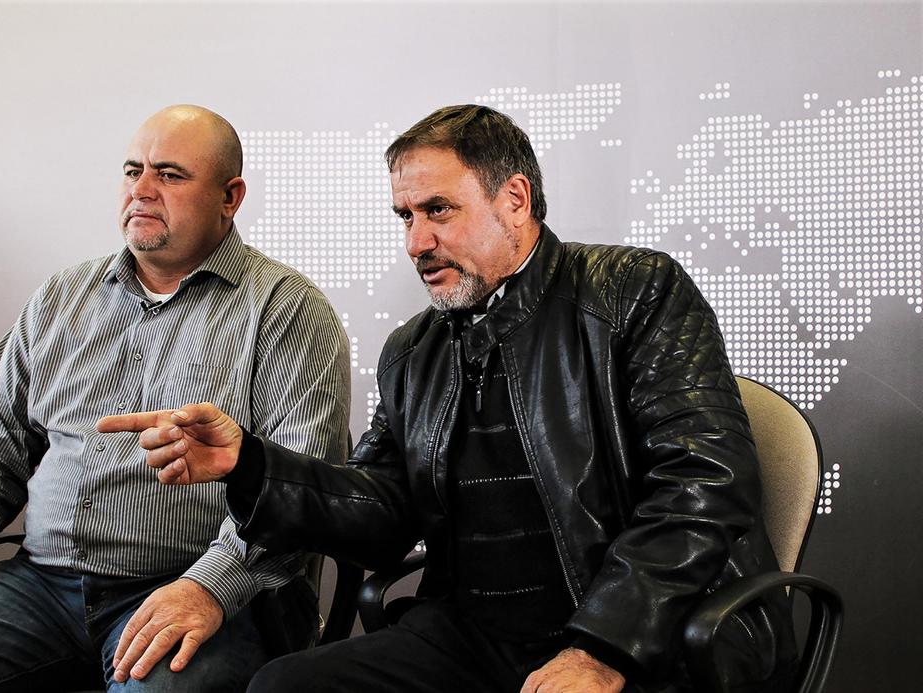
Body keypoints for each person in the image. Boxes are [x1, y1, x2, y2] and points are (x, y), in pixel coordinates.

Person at [100, 104, 797, 693]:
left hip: (647, 633)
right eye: (405, 215)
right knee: (285, 687)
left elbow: (705, 481)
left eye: (438, 210)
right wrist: (250, 464)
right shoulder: (415, 350)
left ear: (514, 200)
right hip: (476, 636)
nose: (416, 241)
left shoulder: (632, 292)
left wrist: (602, 648)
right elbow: (382, 512)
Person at [0, 105, 350, 692]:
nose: (141, 189)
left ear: (230, 197)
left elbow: (299, 490)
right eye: (133, 170)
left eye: (170, 174)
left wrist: (209, 586)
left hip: (196, 586)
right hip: (40, 587)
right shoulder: (62, 297)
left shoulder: (288, 312)